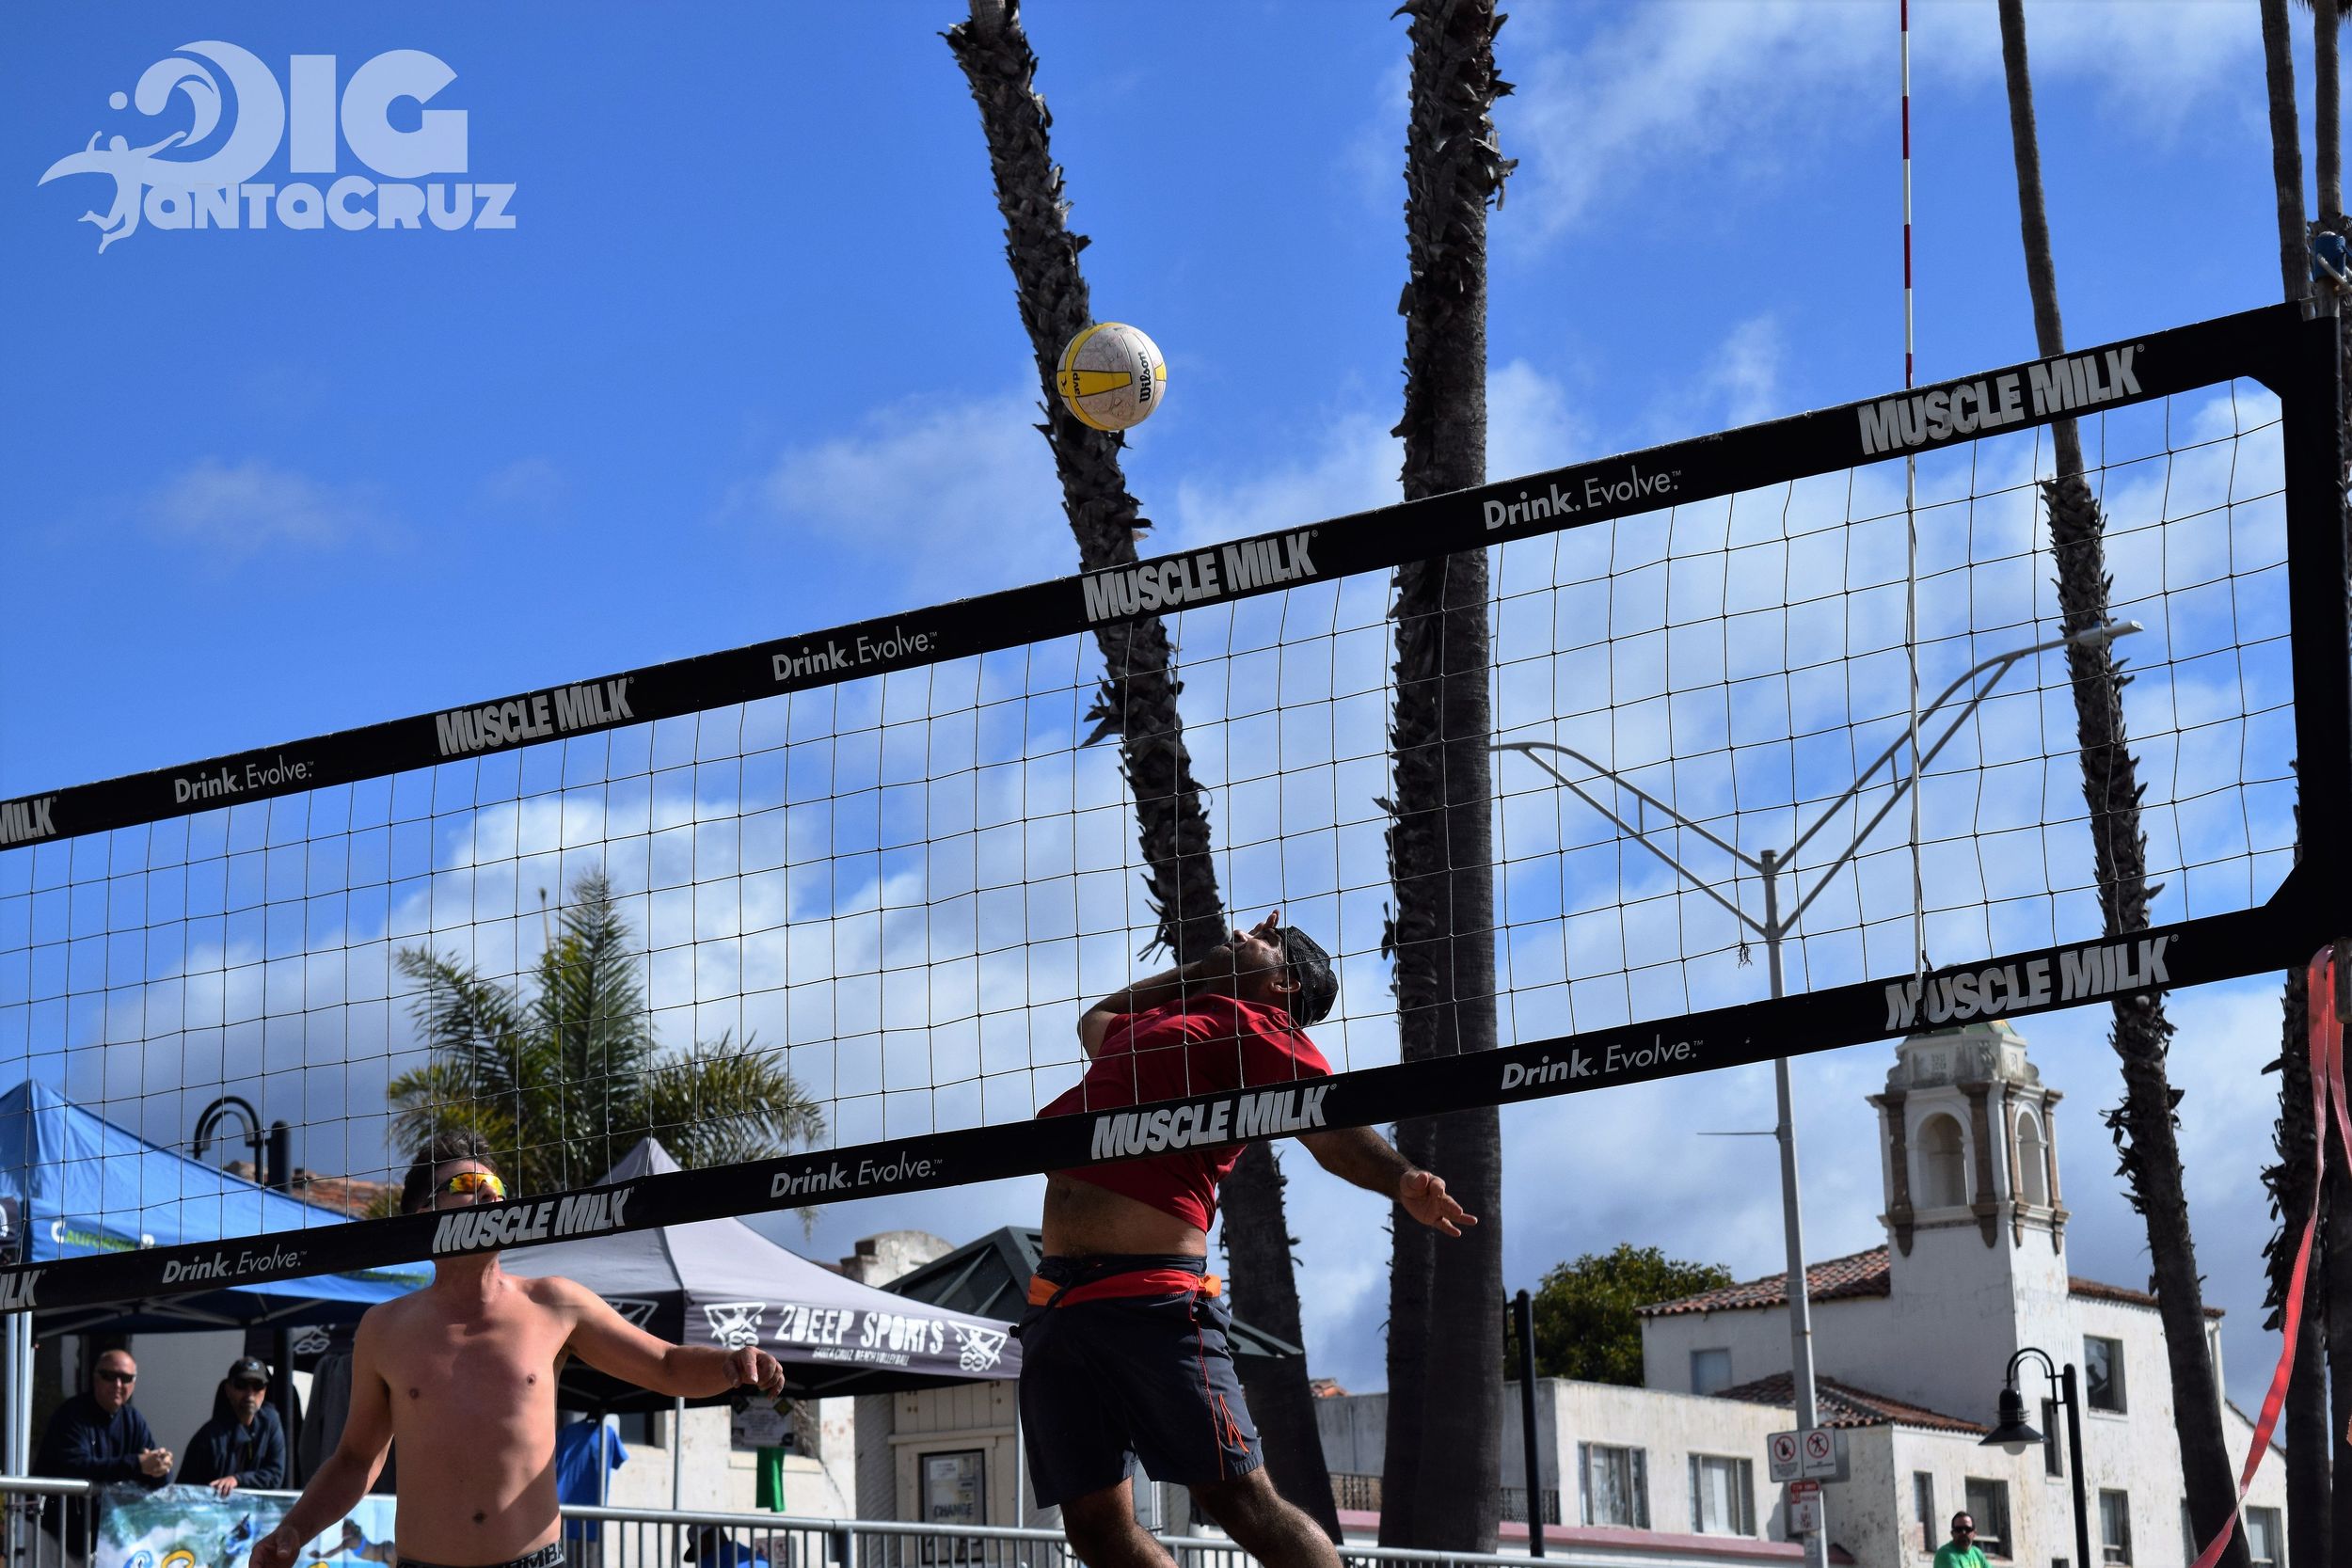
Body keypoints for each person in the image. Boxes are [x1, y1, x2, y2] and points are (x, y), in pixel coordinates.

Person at [1022, 912, 1473, 1568]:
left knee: (1239, 1497)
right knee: (1092, 1524)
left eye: (1269, 934)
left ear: (1285, 982)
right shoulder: (1162, 1025)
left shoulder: (1257, 1027)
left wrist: (1401, 1179)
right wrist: (1204, 972)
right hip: (1060, 1301)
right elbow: (1094, 1016)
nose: (1246, 929)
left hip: (1151, 1297)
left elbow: (1328, 1123)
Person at [250, 1132, 787, 1568]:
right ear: (422, 1216)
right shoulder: (384, 1328)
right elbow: (354, 1459)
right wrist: (293, 1531)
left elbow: (667, 1364)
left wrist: (728, 1363)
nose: (490, 1196)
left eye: (496, 1187)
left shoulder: (555, 1303)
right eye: (466, 1184)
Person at [33, 1347, 170, 1552]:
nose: (117, 1384)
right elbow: (78, 1466)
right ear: (95, 1378)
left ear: (133, 1383)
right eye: (109, 1376)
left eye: (125, 1378)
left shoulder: (133, 1420)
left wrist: (161, 1467)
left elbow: (152, 1474)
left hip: (105, 1540)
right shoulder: (72, 1415)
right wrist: (138, 1464)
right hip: (57, 1535)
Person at [179, 1355, 289, 1496]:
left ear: (265, 1390)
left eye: (257, 1385)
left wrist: (237, 1480)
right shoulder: (208, 1438)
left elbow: (275, 1475)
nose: (250, 1394)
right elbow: (185, 1492)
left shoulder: (271, 1421)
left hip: (258, 1512)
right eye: (241, 1385)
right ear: (228, 1389)